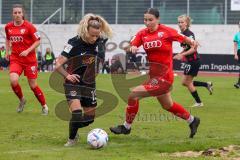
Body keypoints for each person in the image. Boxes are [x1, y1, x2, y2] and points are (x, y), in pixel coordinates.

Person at [110, 8, 200, 138]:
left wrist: (193, 42)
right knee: (167, 105)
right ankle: (192, 120)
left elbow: (185, 38)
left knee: (133, 95)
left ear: (158, 19)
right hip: (154, 76)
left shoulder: (167, 31)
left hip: (165, 77)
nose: (147, 22)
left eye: (150, 20)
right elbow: (131, 44)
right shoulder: (142, 33)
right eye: (145, 20)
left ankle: (126, 127)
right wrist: (132, 47)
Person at [55, 13, 112, 147]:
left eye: (97, 35)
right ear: (85, 30)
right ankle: (72, 138)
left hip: (89, 84)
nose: (94, 38)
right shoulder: (73, 43)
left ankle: (74, 128)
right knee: (76, 113)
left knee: (89, 119)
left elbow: (100, 61)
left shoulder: (100, 42)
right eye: (92, 35)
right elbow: (58, 64)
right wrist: (67, 76)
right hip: (72, 82)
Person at [5, 4, 48, 115]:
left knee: (33, 85)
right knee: (13, 80)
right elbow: (8, 38)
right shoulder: (8, 27)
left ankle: (44, 106)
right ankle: (22, 100)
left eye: (19, 12)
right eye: (15, 13)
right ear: (12, 14)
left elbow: (38, 40)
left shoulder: (29, 26)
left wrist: (28, 50)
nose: (17, 15)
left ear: (23, 14)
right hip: (16, 58)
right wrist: (7, 50)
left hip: (30, 60)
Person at [173, 15, 213, 107]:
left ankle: (199, 102)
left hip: (194, 61)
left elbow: (193, 49)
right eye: (178, 22)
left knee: (187, 82)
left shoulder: (189, 34)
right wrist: (180, 53)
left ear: (186, 23)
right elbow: (186, 48)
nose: (180, 24)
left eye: (182, 22)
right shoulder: (181, 34)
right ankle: (206, 84)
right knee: (184, 82)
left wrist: (182, 55)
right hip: (189, 61)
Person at [233, 21, 240, 89]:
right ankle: (238, 83)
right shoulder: (237, 35)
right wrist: (235, 54)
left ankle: (238, 83)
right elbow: (235, 45)